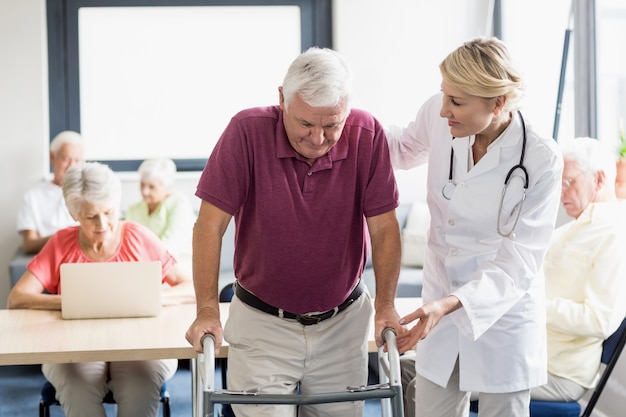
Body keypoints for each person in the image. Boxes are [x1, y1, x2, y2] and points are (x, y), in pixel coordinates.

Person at [185, 47, 405, 417]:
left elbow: (384, 228)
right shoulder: (245, 132)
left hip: (343, 322)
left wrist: (385, 305)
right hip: (262, 324)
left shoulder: (367, 134)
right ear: (282, 99)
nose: (318, 138)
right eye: (305, 124)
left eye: (331, 125)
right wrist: (207, 310)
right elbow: (209, 225)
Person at [386, 36, 563, 417]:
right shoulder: (440, 111)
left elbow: (519, 261)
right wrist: (342, 124)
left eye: (457, 102)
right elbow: (399, 148)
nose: (444, 110)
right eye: (444, 95)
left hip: (503, 312)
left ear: (498, 103)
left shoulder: (540, 158)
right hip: (440, 296)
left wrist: (450, 305)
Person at [7, 162, 193, 417]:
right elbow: (17, 298)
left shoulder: (140, 236)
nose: (103, 223)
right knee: (77, 388)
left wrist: (155, 297)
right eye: (91, 216)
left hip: (139, 343)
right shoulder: (61, 243)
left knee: (140, 386)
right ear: (74, 214)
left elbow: (191, 287)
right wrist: (71, 302)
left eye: (109, 212)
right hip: (74, 346)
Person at [533, 136, 626, 401]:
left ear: (598, 180)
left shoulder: (615, 236)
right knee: (421, 371)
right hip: (529, 356)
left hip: (558, 373)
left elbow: (599, 320)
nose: (561, 192)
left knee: (441, 385)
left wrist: (532, 305)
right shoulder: (567, 231)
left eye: (568, 182)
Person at [17, 130, 84, 254]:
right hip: (49, 256)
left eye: (77, 160)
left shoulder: (88, 194)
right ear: (52, 157)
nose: (72, 166)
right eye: (66, 159)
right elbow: (28, 244)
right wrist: (61, 237)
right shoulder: (32, 197)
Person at [124, 157, 195, 270]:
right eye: (142, 184)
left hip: (175, 265)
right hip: (140, 266)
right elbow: (126, 243)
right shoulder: (134, 209)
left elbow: (170, 245)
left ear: (166, 187)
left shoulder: (179, 203)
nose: (145, 191)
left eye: (152, 187)